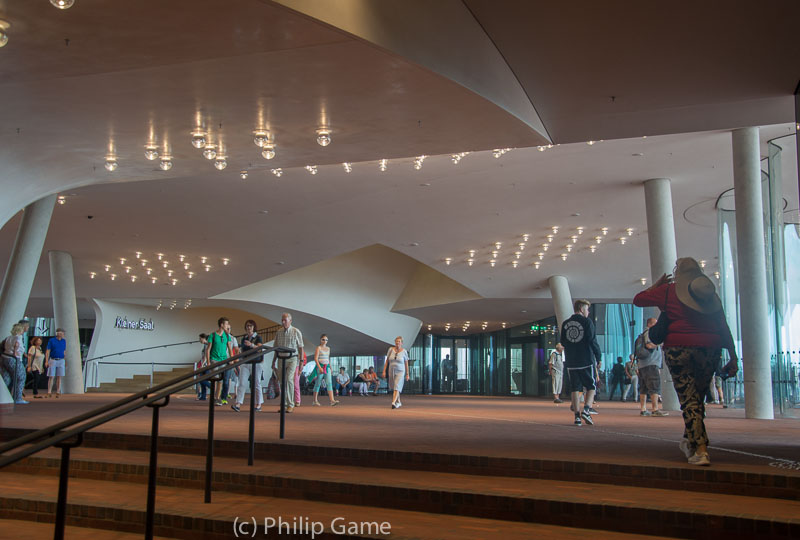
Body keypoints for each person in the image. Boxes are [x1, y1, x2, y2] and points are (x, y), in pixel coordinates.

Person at [634, 257, 738, 466]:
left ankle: (700, 449)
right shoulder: (710, 295)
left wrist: (657, 285)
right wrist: (733, 355)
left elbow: (639, 299)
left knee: (689, 400)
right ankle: (690, 440)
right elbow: (723, 326)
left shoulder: (669, 291)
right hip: (710, 350)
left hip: (679, 349)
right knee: (697, 398)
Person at [560, 299, 602, 426]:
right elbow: (592, 341)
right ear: (582, 309)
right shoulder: (587, 322)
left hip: (571, 361)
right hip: (586, 359)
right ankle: (587, 409)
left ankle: (577, 417)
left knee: (575, 388)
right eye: (587, 309)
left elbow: (563, 342)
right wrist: (598, 357)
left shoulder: (565, 323)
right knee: (591, 386)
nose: (588, 312)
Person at [634, 317, 669, 417]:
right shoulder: (650, 333)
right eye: (655, 324)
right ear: (650, 324)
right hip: (651, 364)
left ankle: (643, 409)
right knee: (654, 386)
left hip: (642, 365)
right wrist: (659, 343)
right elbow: (649, 345)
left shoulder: (643, 334)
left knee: (643, 387)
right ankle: (655, 409)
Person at [273, 312, 304, 413]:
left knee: (289, 380)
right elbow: (276, 348)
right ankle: (284, 404)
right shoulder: (279, 332)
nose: (283, 322)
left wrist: (301, 362)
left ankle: (291, 404)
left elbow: (301, 348)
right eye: (282, 320)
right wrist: (273, 362)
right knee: (282, 382)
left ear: (290, 321)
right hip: (281, 358)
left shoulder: (296, 331)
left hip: (292, 359)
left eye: (285, 320)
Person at [232, 320, 264, 412]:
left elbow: (260, 349)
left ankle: (258, 404)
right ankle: (238, 404)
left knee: (256, 383)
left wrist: (251, 345)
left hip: (256, 363)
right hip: (245, 363)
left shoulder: (258, 337)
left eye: (250, 326)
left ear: (254, 327)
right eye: (247, 326)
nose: (248, 327)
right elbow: (242, 350)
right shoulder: (244, 338)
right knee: (241, 383)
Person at [206, 317, 234, 406]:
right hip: (214, 360)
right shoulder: (213, 335)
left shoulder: (227, 336)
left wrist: (231, 359)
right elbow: (208, 349)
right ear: (221, 325)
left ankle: (217, 398)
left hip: (223, 360)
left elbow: (230, 348)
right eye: (226, 324)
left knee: (220, 380)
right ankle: (214, 397)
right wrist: (208, 362)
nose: (227, 326)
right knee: (215, 379)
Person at [1, 323, 28, 403]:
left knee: (6, 378)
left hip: (5, 358)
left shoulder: (8, 338)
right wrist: (16, 352)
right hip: (14, 359)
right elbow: (17, 348)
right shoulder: (18, 338)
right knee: (21, 377)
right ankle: (17, 398)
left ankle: (4, 397)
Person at [382, 336, 409, 409]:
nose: (397, 343)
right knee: (395, 386)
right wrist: (384, 371)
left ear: (402, 343)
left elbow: (406, 363)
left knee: (397, 386)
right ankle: (399, 402)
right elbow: (387, 361)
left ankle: (393, 402)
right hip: (391, 370)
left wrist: (407, 374)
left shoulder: (404, 351)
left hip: (400, 371)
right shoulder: (390, 349)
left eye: (399, 341)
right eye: (396, 341)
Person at [311, 334, 339, 406]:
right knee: (318, 383)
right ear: (320, 340)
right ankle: (315, 400)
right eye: (323, 339)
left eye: (326, 340)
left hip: (327, 367)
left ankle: (332, 400)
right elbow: (316, 358)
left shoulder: (328, 348)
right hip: (320, 366)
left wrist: (331, 368)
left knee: (329, 383)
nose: (325, 341)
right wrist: (319, 367)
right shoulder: (318, 348)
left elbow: (328, 358)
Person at [45, 327, 67, 398]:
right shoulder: (52, 340)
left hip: (61, 360)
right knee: (51, 376)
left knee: (59, 376)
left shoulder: (64, 341)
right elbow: (48, 351)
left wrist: (65, 359)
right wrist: (46, 361)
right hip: (53, 359)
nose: (60, 334)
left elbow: (64, 351)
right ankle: (49, 391)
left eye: (62, 333)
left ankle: (58, 391)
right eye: (59, 332)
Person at [195, 333, 211, 401]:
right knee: (202, 381)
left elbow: (206, 356)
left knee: (202, 380)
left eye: (200, 338)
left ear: (203, 338)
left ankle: (212, 387)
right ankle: (203, 396)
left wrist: (202, 365)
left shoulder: (207, 345)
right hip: (205, 365)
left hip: (206, 365)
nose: (199, 340)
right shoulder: (205, 345)